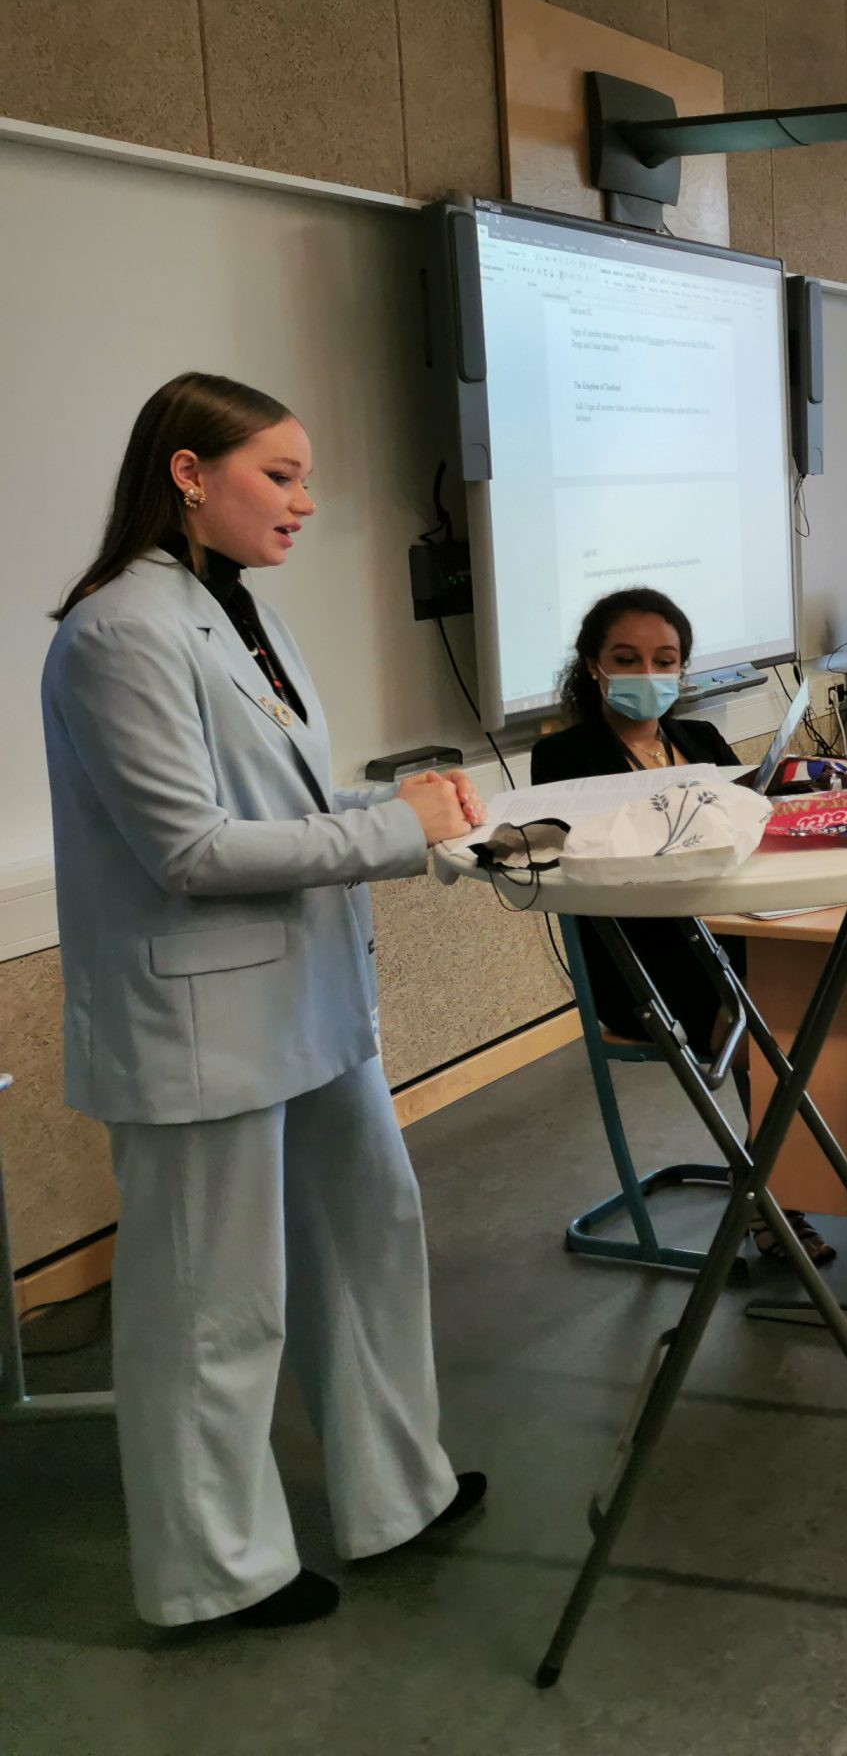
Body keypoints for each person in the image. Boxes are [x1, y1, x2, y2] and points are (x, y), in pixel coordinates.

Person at [41, 372, 486, 1630]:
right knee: (211, 1304)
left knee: (370, 1236)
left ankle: (396, 1491)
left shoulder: (242, 614)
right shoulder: (116, 633)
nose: (306, 500)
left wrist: (401, 806)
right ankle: (213, 1574)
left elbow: (281, 807)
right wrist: (392, 834)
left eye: (305, 477)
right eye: (279, 475)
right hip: (198, 1026)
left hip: (310, 1001)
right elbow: (189, 850)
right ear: (189, 474)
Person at [529, 590, 841, 1274]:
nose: (648, 674)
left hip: (727, 936)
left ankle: (803, 1178)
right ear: (593, 665)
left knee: (836, 996)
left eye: (664, 660)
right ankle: (772, 1195)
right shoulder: (564, 758)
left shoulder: (699, 743)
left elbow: (742, 832)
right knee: (779, 1028)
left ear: (683, 667)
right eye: (626, 659)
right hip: (642, 963)